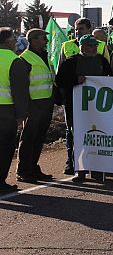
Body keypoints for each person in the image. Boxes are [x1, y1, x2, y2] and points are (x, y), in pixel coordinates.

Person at [55, 34, 112, 182]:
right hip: (75, 107)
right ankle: (79, 170)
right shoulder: (70, 63)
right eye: (91, 45)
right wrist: (75, 80)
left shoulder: (102, 61)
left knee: (98, 136)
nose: (94, 48)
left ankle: (98, 170)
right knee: (78, 136)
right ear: (83, 46)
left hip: (97, 108)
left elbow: (111, 79)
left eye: (95, 45)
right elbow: (59, 80)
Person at [16, 29, 55, 183]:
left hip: (46, 101)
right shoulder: (24, 59)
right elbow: (21, 86)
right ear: (32, 40)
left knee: (39, 137)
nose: (45, 40)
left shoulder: (45, 56)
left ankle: (33, 167)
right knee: (29, 137)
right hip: (33, 104)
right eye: (42, 38)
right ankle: (24, 170)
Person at [0, 28, 29, 192]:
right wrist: (21, 114)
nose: (15, 41)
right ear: (7, 41)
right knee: (4, 148)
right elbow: (19, 91)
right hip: (5, 111)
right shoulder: (14, 60)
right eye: (13, 38)